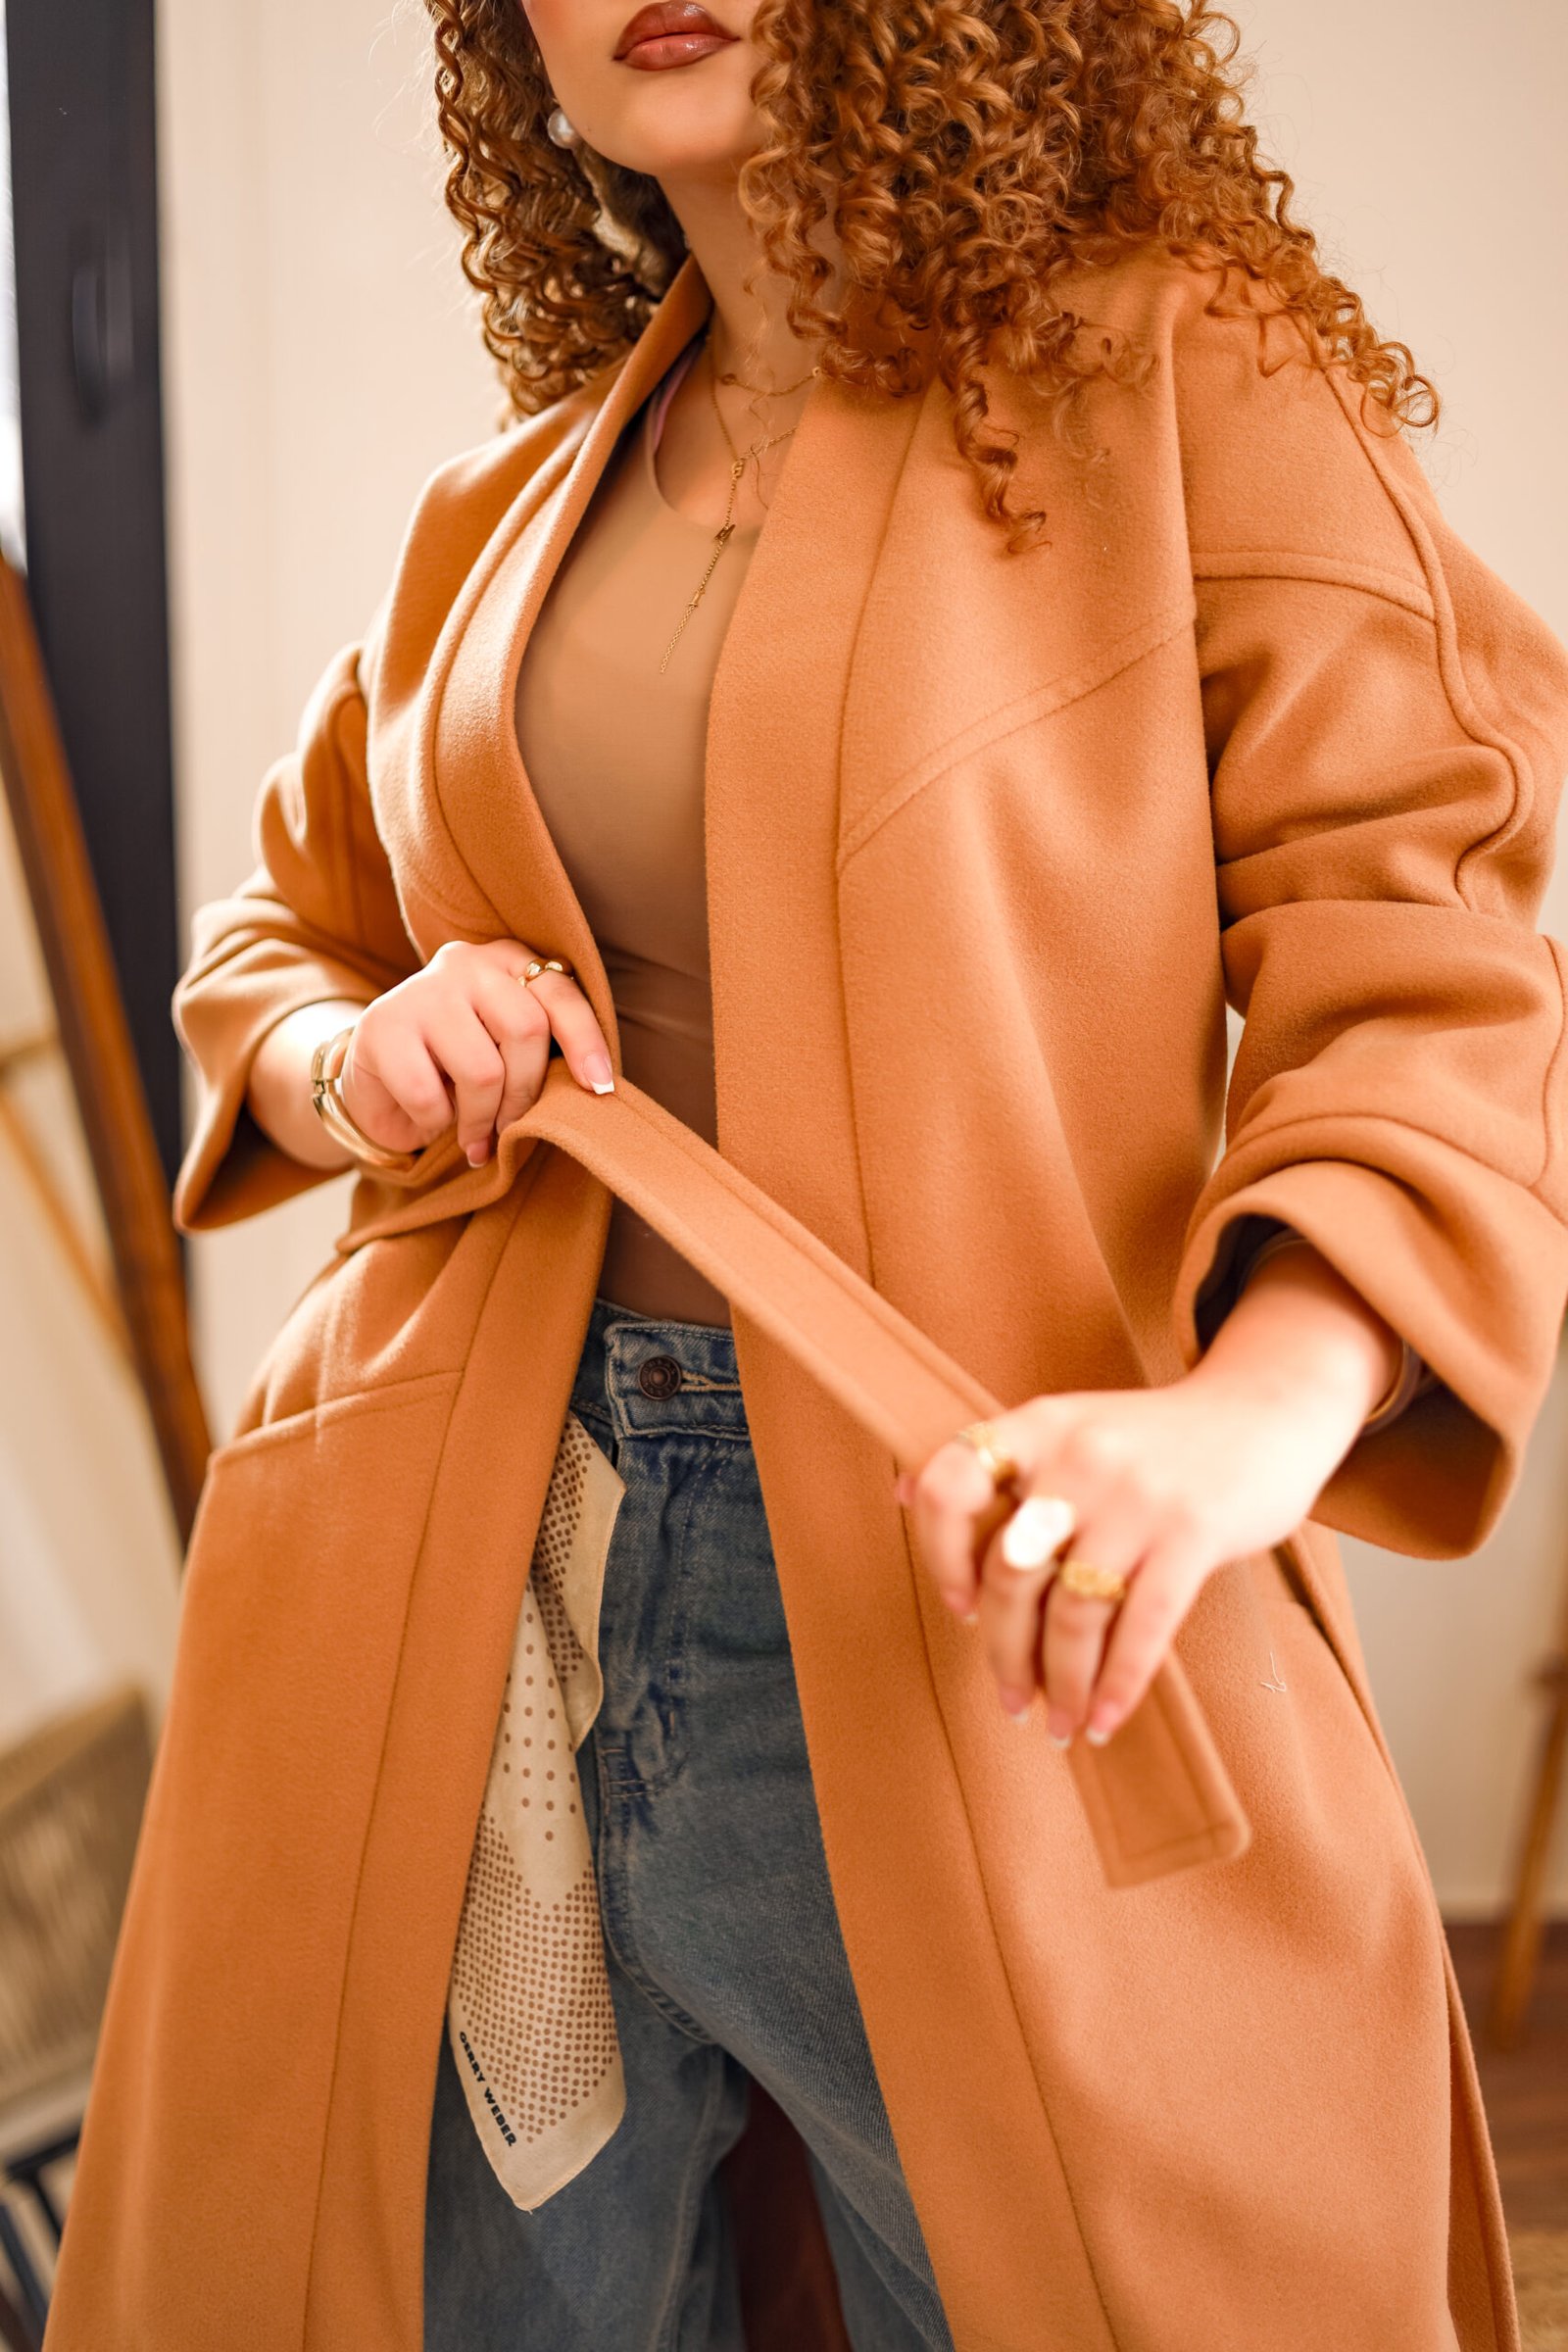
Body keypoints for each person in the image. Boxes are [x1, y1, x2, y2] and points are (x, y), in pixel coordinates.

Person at [44, 4, 1568, 2350]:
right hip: (467, 1614)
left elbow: (1427, 951)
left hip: (961, 1603)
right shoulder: (509, 514)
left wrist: (1243, 1420)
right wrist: (365, 1055)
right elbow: (280, 941)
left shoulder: (1173, 378)